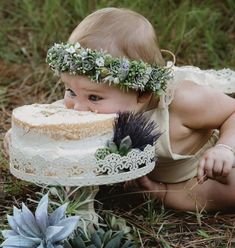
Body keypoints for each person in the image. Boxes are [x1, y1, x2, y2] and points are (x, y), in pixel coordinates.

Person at [4, 7, 235, 212]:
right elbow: (48, 122)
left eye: (94, 97)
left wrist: (224, 149)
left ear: (142, 93)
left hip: (199, 174)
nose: (78, 107)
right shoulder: (83, 104)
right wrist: (25, 138)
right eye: (70, 91)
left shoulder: (183, 102)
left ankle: (163, 193)